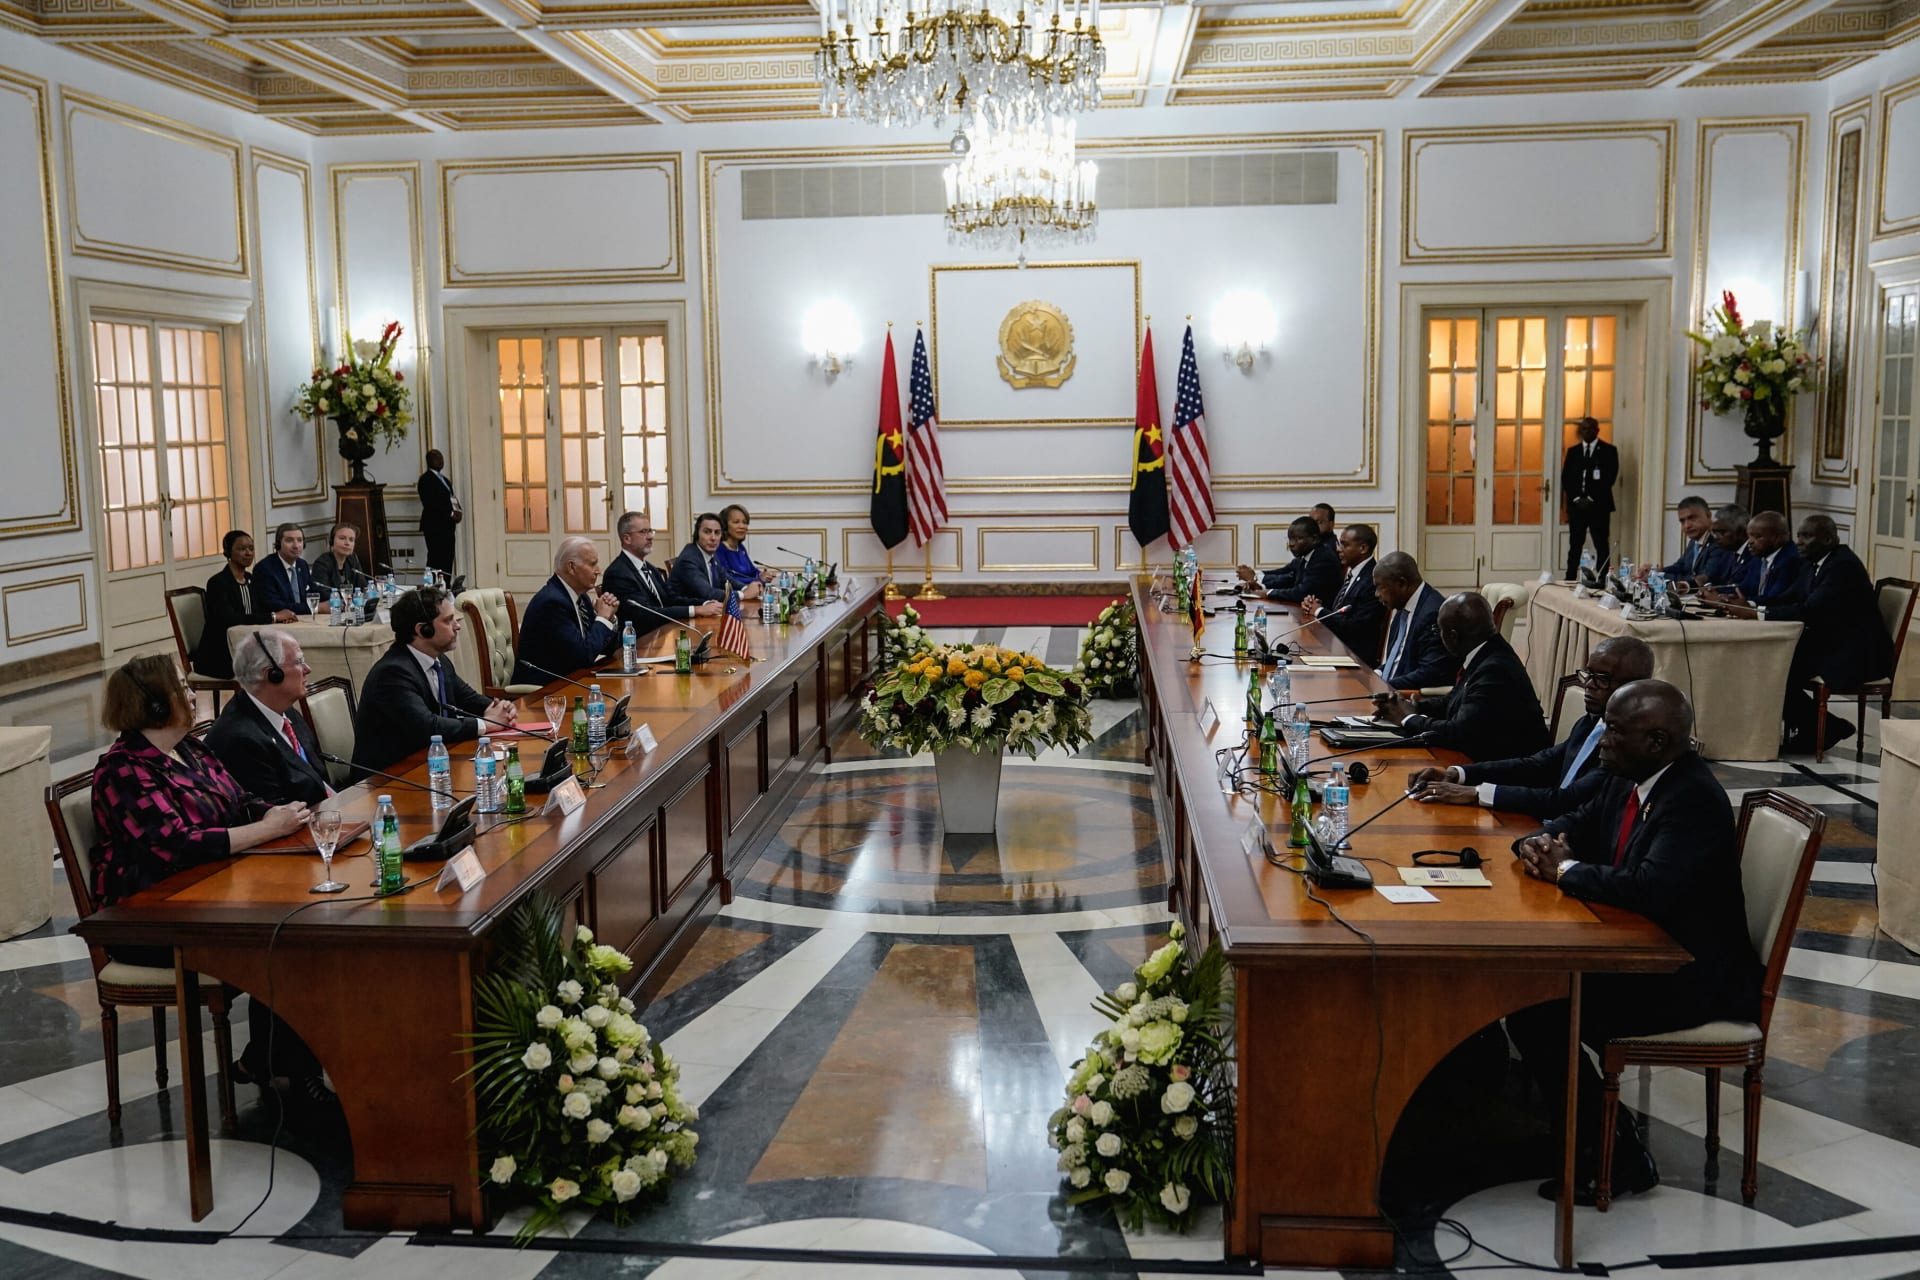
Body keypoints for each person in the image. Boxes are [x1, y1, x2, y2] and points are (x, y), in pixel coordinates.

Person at [1505, 680, 1760, 1206]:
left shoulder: (1691, 799)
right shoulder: (1628, 776)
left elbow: (1651, 889)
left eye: (1617, 731)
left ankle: (1617, 1159)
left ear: (1659, 741)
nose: (1603, 738)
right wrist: (1537, 842)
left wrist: (1566, 870)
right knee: (1530, 995)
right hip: (1645, 954)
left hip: (1689, 977)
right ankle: (1591, 1132)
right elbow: (1576, 823)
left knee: (1539, 1006)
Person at [90, 657, 332, 1111]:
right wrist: (266, 830)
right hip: (147, 921)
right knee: (286, 941)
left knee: (304, 926)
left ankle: (273, 1060)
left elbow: (240, 800)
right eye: (182, 687)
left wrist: (273, 814)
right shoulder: (122, 771)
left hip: (210, 893)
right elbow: (177, 845)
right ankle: (286, 1070)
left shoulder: (192, 749)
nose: (194, 693)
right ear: (156, 704)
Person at [1409, 635, 1655, 818]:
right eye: (1587, 675)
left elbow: (1567, 800)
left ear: (1637, 686)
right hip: (1545, 825)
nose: (1588, 685)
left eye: (1601, 679)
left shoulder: (1627, 746)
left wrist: (1476, 793)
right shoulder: (1590, 722)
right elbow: (1538, 764)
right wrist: (1458, 773)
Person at [352, 586, 514, 779]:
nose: (457, 626)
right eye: (448, 621)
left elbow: (467, 698)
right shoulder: (392, 673)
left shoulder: (439, 660)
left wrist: (498, 708)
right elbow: (428, 727)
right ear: (422, 630)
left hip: (431, 767)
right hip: (387, 780)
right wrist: (486, 723)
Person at [1766, 515, 1893, 753]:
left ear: (1828, 539)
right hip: (1831, 644)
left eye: (1806, 536)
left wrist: (1759, 615)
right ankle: (1817, 729)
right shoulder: (1813, 562)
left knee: (1776, 669)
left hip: (1856, 655)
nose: (1799, 542)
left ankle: (1827, 729)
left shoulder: (1842, 566)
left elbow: (1811, 610)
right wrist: (1749, 604)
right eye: (1799, 536)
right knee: (1773, 666)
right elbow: (1787, 597)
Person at [1370, 592, 1548, 762]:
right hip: (1481, 755)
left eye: (1440, 631)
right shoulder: (1486, 651)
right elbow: (1452, 701)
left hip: (1507, 771)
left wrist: (1407, 718)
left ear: (1453, 636)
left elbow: (1458, 733)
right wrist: (1412, 707)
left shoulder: (1495, 669)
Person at [206, 628, 332, 806]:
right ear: (272, 675)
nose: (307, 669)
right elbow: (277, 816)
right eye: (299, 662)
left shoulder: (285, 710)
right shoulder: (239, 740)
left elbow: (318, 778)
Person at [513, 536, 622, 686]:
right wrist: (602, 617)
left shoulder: (581, 597)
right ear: (571, 567)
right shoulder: (552, 602)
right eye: (592, 564)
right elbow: (584, 656)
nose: (599, 571)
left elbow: (603, 648)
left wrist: (609, 618)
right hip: (545, 690)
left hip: (572, 679)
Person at [604, 511, 725, 638]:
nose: (650, 536)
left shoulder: (649, 568)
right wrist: (696, 610)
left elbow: (671, 599)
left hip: (663, 633)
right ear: (627, 538)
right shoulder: (618, 573)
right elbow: (646, 614)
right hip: (640, 643)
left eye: (650, 531)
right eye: (643, 532)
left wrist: (705, 604)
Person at [196, 530, 290, 680]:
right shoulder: (218, 583)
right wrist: (272, 617)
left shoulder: (251, 579)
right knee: (270, 666)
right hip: (220, 655)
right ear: (228, 552)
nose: (248, 553)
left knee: (283, 660)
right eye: (242, 549)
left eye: (251, 549)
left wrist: (279, 616)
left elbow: (260, 610)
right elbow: (229, 618)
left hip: (248, 647)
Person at [1299, 524, 1384, 666]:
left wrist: (1319, 611)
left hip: (1355, 658)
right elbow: (1342, 610)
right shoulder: (1353, 573)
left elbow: (1356, 627)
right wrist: (1317, 605)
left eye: (1344, 545)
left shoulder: (1371, 579)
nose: (1338, 549)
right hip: (1338, 648)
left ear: (1363, 548)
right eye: (1339, 544)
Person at [1371, 551, 1451, 690]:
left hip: (1409, 700)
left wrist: (1383, 686)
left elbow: (1430, 674)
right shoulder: (1402, 607)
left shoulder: (1433, 614)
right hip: (1392, 690)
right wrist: (1375, 674)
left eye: (1380, 587)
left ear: (1402, 583)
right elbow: (1397, 661)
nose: (1376, 594)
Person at [1704, 510, 1806, 611]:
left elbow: (1776, 598)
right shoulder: (1759, 557)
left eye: (1757, 537)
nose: (1750, 542)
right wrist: (1720, 596)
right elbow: (1744, 587)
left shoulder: (1791, 559)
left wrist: (1745, 603)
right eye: (1749, 536)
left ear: (1777, 538)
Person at [1561, 417, 1619, 579]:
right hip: (1576, 506)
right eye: (1584, 429)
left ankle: (1602, 577)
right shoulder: (1573, 452)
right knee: (1575, 544)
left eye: (1590, 429)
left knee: (1601, 543)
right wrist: (1576, 498)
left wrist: (1591, 498)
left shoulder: (1609, 451)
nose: (1587, 432)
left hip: (1598, 506)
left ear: (1597, 430)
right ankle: (1570, 576)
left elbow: (1609, 478)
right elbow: (1566, 478)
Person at [1235, 516, 1339, 605]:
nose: (1291, 544)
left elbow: (1301, 593)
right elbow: (1290, 579)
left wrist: (1267, 593)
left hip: (1322, 621)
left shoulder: (1323, 558)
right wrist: (1261, 587)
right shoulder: (1306, 556)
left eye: (1297, 539)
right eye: (1290, 539)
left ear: (1314, 539)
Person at [669, 512, 735, 604]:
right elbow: (708, 593)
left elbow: (726, 580)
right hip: (686, 615)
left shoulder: (711, 554)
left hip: (708, 611)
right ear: (697, 534)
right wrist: (742, 595)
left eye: (717, 533)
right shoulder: (689, 559)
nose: (713, 538)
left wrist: (746, 588)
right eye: (707, 532)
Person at [254, 523, 317, 617]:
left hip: (303, 620)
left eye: (299, 540)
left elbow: (314, 590)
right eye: (289, 541)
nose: (296, 546)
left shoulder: (302, 565)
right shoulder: (265, 569)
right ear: (278, 544)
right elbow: (275, 605)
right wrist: (315, 607)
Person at [417, 448, 461, 577]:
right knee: (436, 559)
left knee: (448, 558)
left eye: (442, 458)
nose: (441, 461)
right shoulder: (425, 480)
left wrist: (458, 510)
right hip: (434, 526)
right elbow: (431, 503)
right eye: (437, 458)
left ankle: (446, 586)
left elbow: (451, 499)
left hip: (448, 526)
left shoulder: (445, 480)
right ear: (429, 461)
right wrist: (450, 514)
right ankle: (433, 589)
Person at [713, 504, 769, 598]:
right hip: (734, 598)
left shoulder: (740, 548)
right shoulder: (719, 549)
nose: (742, 526)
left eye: (745, 522)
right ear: (724, 525)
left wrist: (762, 575)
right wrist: (757, 580)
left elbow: (752, 571)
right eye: (736, 522)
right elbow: (728, 579)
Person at [1700, 504, 1752, 592]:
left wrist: (1717, 595)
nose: (1716, 537)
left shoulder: (1754, 554)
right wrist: (1687, 585)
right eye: (1714, 532)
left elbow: (1744, 588)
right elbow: (1713, 578)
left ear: (1741, 532)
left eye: (1722, 532)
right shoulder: (1727, 552)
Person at [1663, 497, 1715, 580]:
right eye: (1682, 521)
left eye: (1692, 518)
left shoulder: (1719, 542)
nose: (1687, 525)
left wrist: (1659, 577)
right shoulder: (1694, 541)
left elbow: (1700, 581)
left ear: (1708, 516)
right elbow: (1680, 566)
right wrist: (1656, 572)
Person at [309, 522, 367, 594]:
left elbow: (363, 587)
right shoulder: (322, 564)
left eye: (351, 540)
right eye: (342, 538)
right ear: (332, 542)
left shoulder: (352, 559)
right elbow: (323, 594)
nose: (347, 543)